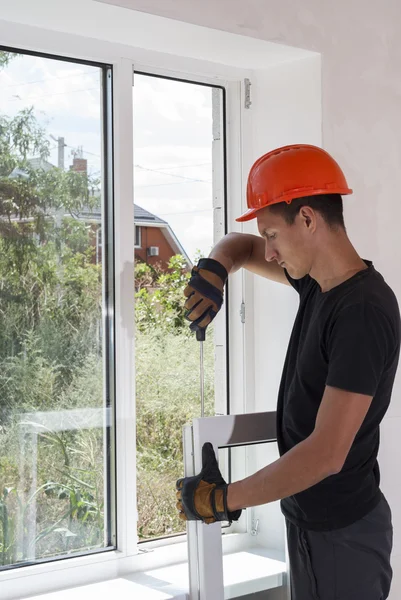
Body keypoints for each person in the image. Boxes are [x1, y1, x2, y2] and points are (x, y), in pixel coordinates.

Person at [176, 144, 400, 600]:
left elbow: (325, 455)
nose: (271, 252)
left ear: (308, 219)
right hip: (311, 523)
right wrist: (217, 268)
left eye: (273, 235)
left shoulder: (361, 312)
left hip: (343, 535)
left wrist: (222, 500)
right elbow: (240, 246)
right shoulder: (319, 285)